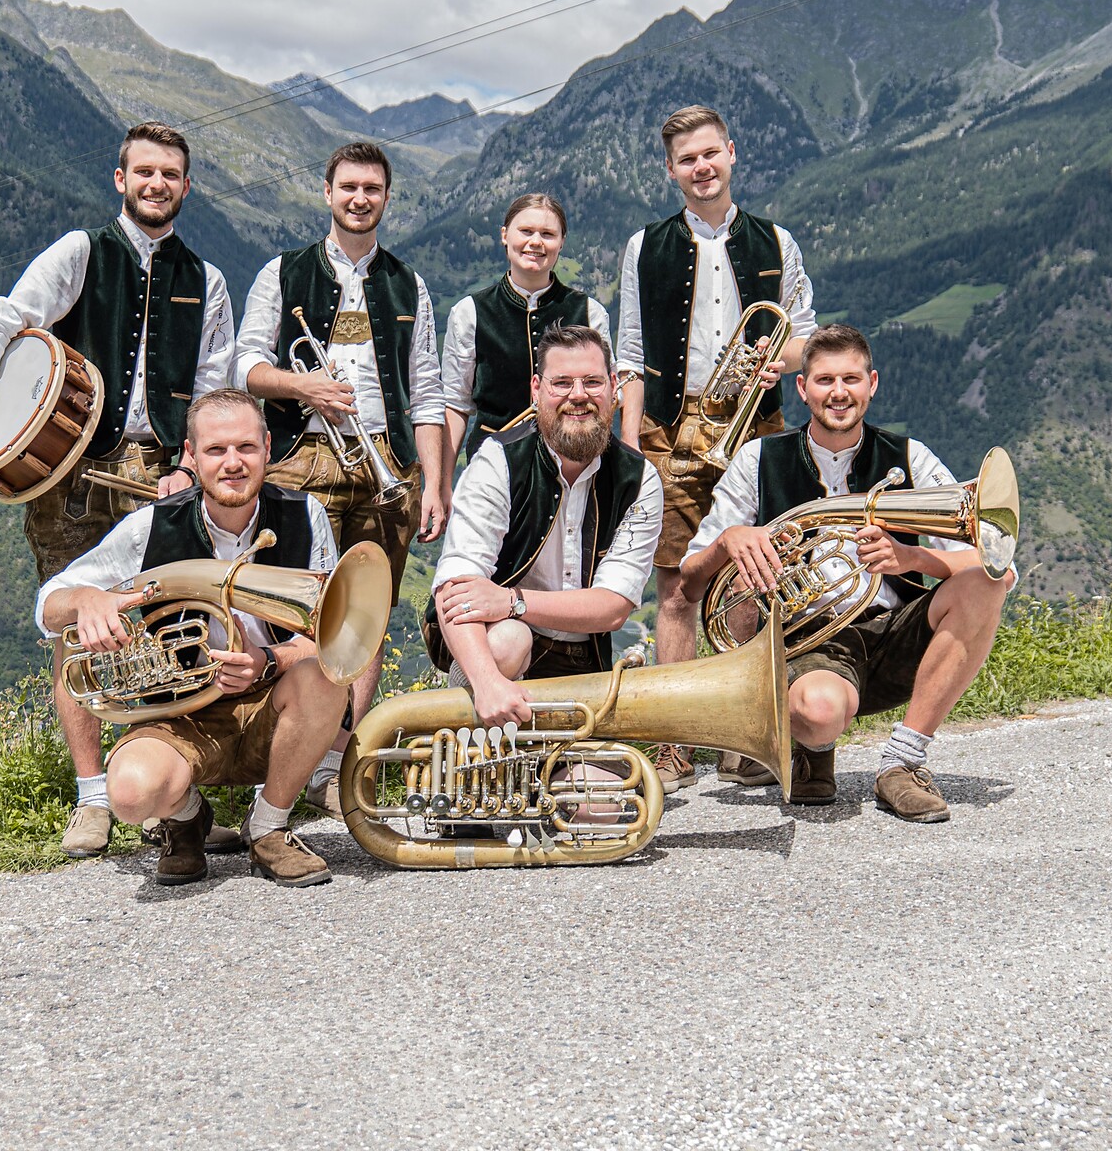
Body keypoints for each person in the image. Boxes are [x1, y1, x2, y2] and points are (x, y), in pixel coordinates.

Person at [0, 121, 235, 859]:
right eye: (144, 171)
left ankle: (174, 797)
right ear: (120, 179)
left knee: (172, 632)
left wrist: (189, 466)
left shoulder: (207, 281)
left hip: (163, 478)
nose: (156, 184)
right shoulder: (81, 253)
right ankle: (93, 800)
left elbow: (213, 389)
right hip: (71, 479)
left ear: (186, 185)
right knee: (77, 630)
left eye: (170, 174)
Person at [679, 324, 1012, 822]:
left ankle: (902, 763)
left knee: (984, 585)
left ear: (872, 384)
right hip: (811, 645)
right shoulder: (758, 460)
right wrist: (729, 542)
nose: (839, 393)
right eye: (825, 380)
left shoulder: (909, 458)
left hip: (896, 634)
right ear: (802, 388)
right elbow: (688, 580)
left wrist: (913, 559)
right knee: (817, 715)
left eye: (851, 379)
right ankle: (813, 749)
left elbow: (999, 569)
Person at [37, 389, 347, 886]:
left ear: (268, 447)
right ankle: (186, 818)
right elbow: (50, 602)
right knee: (132, 794)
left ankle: (269, 828)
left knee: (327, 676)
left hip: (270, 705)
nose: (233, 464)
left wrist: (268, 660)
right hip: (178, 715)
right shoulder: (149, 527)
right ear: (191, 456)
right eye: (216, 450)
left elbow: (334, 633)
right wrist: (87, 600)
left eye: (246, 448)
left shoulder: (303, 516)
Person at [236, 141, 447, 805]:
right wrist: (305, 388)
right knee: (297, 614)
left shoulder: (408, 284)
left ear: (386, 198)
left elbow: (430, 393)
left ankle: (335, 765)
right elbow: (243, 369)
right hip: (302, 457)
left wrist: (435, 483)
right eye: (349, 187)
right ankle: (281, 759)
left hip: (385, 461)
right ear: (327, 193)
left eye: (373, 189)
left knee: (366, 618)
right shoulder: (282, 272)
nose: (360, 199)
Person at [615, 105, 816, 793]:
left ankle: (738, 737)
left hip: (754, 424)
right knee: (674, 588)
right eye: (686, 160)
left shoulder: (777, 241)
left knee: (751, 575)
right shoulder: (645, 246)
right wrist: (628, 451)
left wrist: (779, 360)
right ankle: (674, 747)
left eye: (710, 153)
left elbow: (806, 335)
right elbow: (632, 354)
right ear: (671, 171)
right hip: (671, 429)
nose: (701, 168)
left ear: (732, 152)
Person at [429, 325, 662, 728]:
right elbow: (455, 590)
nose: (578, 395)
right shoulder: (496, 460)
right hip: (497, 647)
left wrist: (512, 600)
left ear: (613, 389)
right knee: (508, 641)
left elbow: (612, 607)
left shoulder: (640, 479)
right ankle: (472, 735)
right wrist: (487, 684)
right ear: (536, 390)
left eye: (592, 382)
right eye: (561, 383)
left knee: (600, 788)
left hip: (579, 660)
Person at [439, 193, 611, 507]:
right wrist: (442, 487)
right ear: (505, 236)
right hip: (491, 469)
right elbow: (455, 404)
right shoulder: (469, 313)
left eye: (548, 234)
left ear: (561, 243)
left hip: (573, 469)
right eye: (526, 232)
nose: (536, 242)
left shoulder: (590, 313)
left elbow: (606, 399)